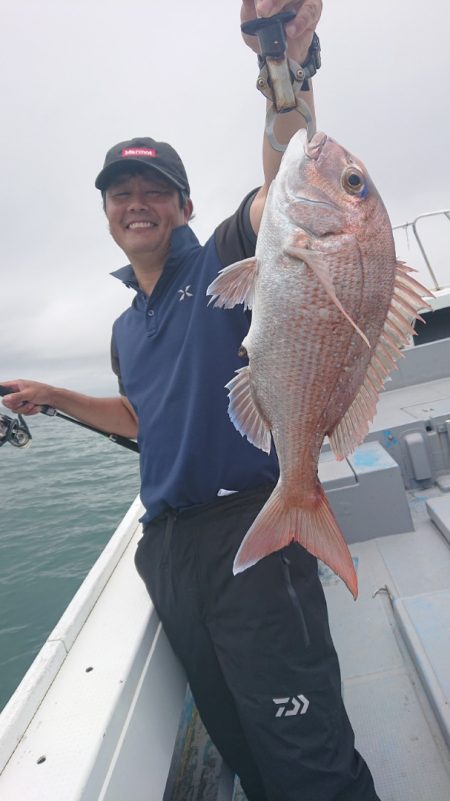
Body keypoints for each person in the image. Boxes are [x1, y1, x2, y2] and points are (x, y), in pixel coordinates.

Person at [2, 2, 382, 799]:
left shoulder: (226, 260)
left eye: (155, 191)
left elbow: (287, 177)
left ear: (184, 207)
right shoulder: (123, 326)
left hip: (250, 524)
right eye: (121, 192)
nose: (136, 202)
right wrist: (54, 394)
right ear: (106, 211)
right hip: (168, 555)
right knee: (243, 747)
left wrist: (285, 69)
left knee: (309, 758)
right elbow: (143, 422)